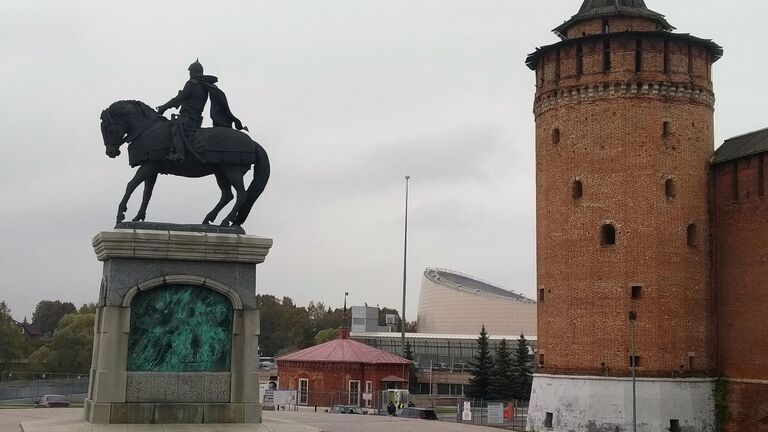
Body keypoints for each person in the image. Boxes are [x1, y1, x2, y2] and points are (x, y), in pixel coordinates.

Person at [156, 59, 246, 162]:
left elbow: (179, 98)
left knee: (175, 130)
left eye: (190, 72)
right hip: (196, 117)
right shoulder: (204, 85)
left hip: (187, 117)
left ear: (193, 71)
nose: (189, 74)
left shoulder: (192, 83)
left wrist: (164, 107)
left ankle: (179, 154)